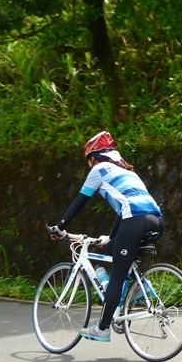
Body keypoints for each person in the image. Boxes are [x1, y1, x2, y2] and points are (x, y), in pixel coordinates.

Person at [48, 131, 164, 342]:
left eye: (88, 160)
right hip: (156, 221)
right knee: (110, 251)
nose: (88, 165)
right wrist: (110, 238)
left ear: (94, 157)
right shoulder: (128, 172)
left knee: (117, 276)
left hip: (135, 221)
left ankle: (102, 328)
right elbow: (125, 210)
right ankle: (138, 288)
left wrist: (60, 226)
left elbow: (79, 201)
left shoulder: (99, 170)